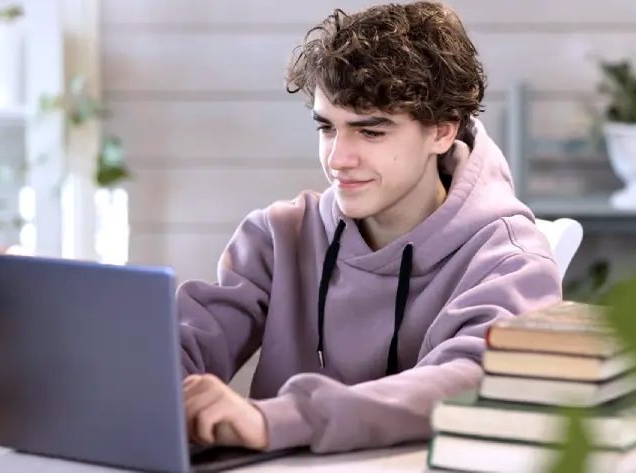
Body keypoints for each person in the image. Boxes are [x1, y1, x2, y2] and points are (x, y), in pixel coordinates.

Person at [177, 1, 562, 455]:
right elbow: (181, 344)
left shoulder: (510, 260)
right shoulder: (278, 237)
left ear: (442, 131)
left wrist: (282, 418)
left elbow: (472, 377)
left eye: (371, 132)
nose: (338, 159)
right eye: (327, 128)